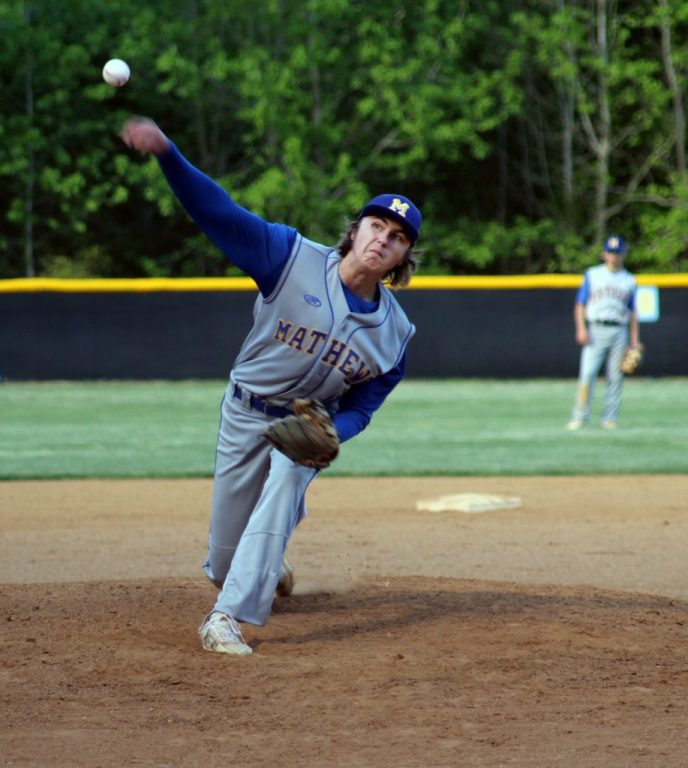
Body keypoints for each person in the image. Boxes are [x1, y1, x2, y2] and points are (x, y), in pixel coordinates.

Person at [120, 117, 422, 655]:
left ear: (402, 259)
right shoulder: (289, 257)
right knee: (221, 562)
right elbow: (218, 211)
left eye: (397, 238)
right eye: (377, 225)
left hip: (302, 429)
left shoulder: (395, 336)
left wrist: (333, 430)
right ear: (355, 232)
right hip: (243, 414)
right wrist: (167, 152)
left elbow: (364, 406)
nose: (384, 238)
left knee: (286, 481)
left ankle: (226, 619)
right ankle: (263, 564)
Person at [566, 235, 640, 431]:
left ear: (623, 254)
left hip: (619, 330)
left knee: (616, 377)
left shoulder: (629, 280)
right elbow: (580, 304)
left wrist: (634, 341)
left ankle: (610, 418)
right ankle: (580, 417)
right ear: (604, 254)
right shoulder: (593, 274)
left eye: (617, 253)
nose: (614, 257)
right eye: (610, 253)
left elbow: (633, 312)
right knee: (587, 374)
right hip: (596, 328)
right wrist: (581, 328)